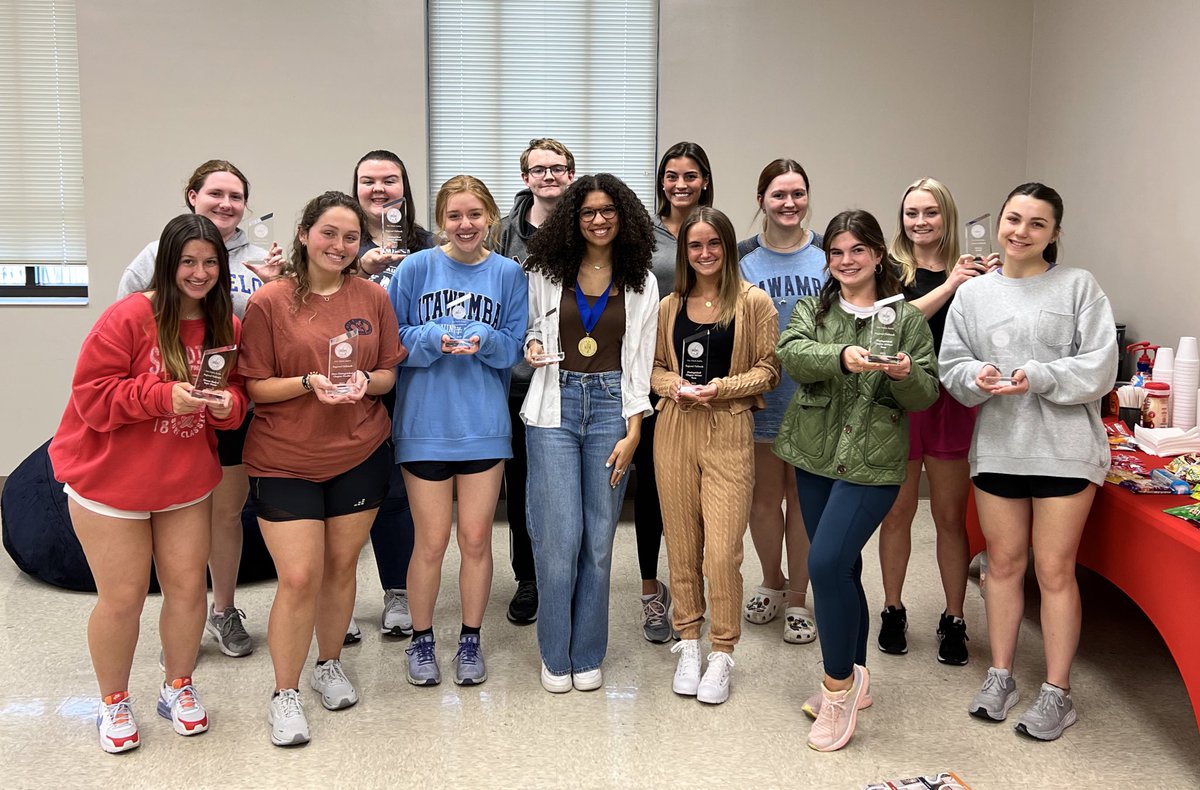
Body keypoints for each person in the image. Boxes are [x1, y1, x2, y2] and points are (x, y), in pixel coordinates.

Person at [53, 213, 248, 753]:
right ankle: (113, 700)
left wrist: (231, 406)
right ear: (167, 264)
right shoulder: (129, 317)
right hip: (111, 483)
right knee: (123, 598)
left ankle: (178, 687)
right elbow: (92, 398)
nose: (200, 272)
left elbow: (233, 396)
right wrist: (162, 396)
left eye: (210, 262)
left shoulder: (224, 325)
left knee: (189, 590)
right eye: (188, 261)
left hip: (183, 480)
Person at [940, 183, 1116, 741]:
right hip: (999, 448)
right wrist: (977, 377)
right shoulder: (973, 295)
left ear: (1054, 234)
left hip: (1065, 451)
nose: (1020, 232)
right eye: (1013, 219)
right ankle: (1000, 676)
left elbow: (1100, 368)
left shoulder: (1079, 287)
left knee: (1054, 570)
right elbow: (953, 365)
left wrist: (1041, 375)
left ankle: (1057, 692)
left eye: (1036, 224)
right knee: (1002, 565)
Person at [239, 191, 403, 747]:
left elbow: (386, 374)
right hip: (286, 460)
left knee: (340, 569)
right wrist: (310, 383)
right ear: (306, 233)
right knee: (300, 576)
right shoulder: (270, 302)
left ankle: (328, 664)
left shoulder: (372, 297)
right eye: (328, 233)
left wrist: (364, 383)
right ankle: (284, 694)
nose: (339, 245)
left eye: (351, 237)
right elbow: (256, 386)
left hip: (359, 452)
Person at [774, 209, 938, 751]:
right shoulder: (814, 309)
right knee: (842, 567)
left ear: (877, 256)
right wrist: (841, 356)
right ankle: (858, 670)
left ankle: (837, 690)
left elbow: (926, 395)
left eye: (857, 251)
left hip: (874, 463)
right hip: (816, 454)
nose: (846, 262)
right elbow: (791, 355)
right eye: (836, 253)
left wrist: (905, 373)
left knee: (822, 563)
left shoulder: (906, 319)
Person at [116, 160, 283, 660]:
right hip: (166, 412)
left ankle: (221, 610)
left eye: (236, 196)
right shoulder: (158, 254)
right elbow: (125, 325)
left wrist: (274, 285)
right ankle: (180, 615)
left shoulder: (262, 258)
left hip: (229, 402)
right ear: (192, 196)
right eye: (216, 193)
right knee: (173, 513)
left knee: (226, 513)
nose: (226, 204)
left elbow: (276, 330)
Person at [388, 175, 526, 688]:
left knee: (474, 539)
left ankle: (470, 639)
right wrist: (433, 337)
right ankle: (422, 640)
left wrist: (484, 339)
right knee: (430, 541)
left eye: (474, 215)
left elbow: (515, 348)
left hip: (483, 427)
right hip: (424, 424)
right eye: (454, 216)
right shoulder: (415, 267)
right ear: (441, 220)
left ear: (490, 216)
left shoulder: (509, 273)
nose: (465, 225)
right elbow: (393, 340)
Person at [522, 173, 658, 692]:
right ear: (572, 220)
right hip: (554, 407)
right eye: (587, 213)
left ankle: (588, 651)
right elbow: (534, 327)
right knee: (559, 539)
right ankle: (556, 656)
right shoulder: (544, 269)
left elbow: (641, 361)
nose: (598, 220)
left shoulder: (642, 279)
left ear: (622, 217)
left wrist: (634, 429)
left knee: (599, 540)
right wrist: (532, 348)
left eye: (608, 211)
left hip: (610, 411)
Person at [651, 206, 779, 704]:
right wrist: (675, 385)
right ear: (685, 253)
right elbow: (655, 368)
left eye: (714, 244)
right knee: (682, 543)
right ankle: (688, 640)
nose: (704, 254)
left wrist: (721, 388)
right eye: (694, 246)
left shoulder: (754, 303)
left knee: (722, 549)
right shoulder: (670, 305)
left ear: (728, 247)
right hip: (675, 428)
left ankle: (722, 649)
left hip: (728, 428)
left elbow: (768, 371)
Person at [875, 178, 998, 663]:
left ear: (947, 216)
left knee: (949, 517)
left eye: (930, 212)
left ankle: (954, 618)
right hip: (902, 399)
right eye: (911, 213)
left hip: (952, 401)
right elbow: (894, 322)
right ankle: (892, 608)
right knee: (898, 514)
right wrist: (951, 286)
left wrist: (989, 284)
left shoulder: (974, 269)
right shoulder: (888, 269)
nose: (920, 222)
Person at [344, 150, 437, 643]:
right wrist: (359, 268)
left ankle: (397, 592)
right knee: (347, 493)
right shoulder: (341, 239)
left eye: (390, 180)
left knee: (398, 495)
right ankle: (339, 600)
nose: (379, 189)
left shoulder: (424, 244)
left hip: (411, 383)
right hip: (350, 382)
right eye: (368, 181)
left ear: (405, 186)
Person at [737, 158, 825, 645]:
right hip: (764, 399)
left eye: (797, 193)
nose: (789, 203)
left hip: (816, 402)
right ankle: (772, 582)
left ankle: (799, 600)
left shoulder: (826, 258)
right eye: (778, 195)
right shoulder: (744, 262)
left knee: (805, 503)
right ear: (761, 201)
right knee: (765, 501)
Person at [630, 141, 715, 642]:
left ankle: (693, 590)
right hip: (652, 374)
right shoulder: (642, 234)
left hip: (707, 385)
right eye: (671, 176)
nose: (680, 185)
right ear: (661, 182)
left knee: (703, 492)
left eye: (690, 176)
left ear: (705, 180)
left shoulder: (718, 230)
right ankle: (649, 592)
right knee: (653, 491)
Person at [497, 138, 576, 626]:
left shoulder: (589, 226)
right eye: (539, 169)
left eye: (558, 168)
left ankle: (563, 577)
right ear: (526, 178)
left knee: (563, 490)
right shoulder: (502, 234)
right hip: (516, 382)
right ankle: (529, 578)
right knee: (523, 484)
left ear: (570, 174)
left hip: (575, 379)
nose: (549, 176)